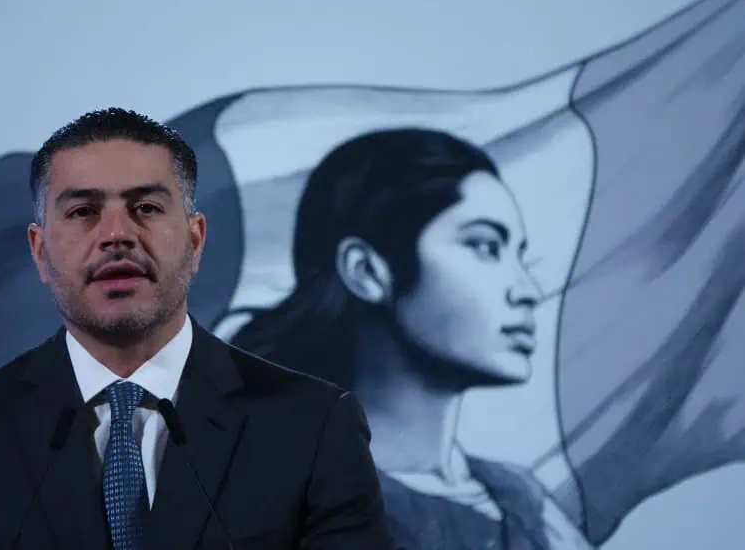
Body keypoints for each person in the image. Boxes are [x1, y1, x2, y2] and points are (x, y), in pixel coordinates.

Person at [0, 108, 394, 550]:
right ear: (40, 252)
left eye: (147, 208)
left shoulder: (313, 424)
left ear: (196, 241)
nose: (117, 235)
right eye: (83, 212)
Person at [229, 128, 594, 549]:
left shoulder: (522, 501)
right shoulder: (287, 499)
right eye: (485, 246)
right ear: (366, 272)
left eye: (519, 255)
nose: (527, 289)